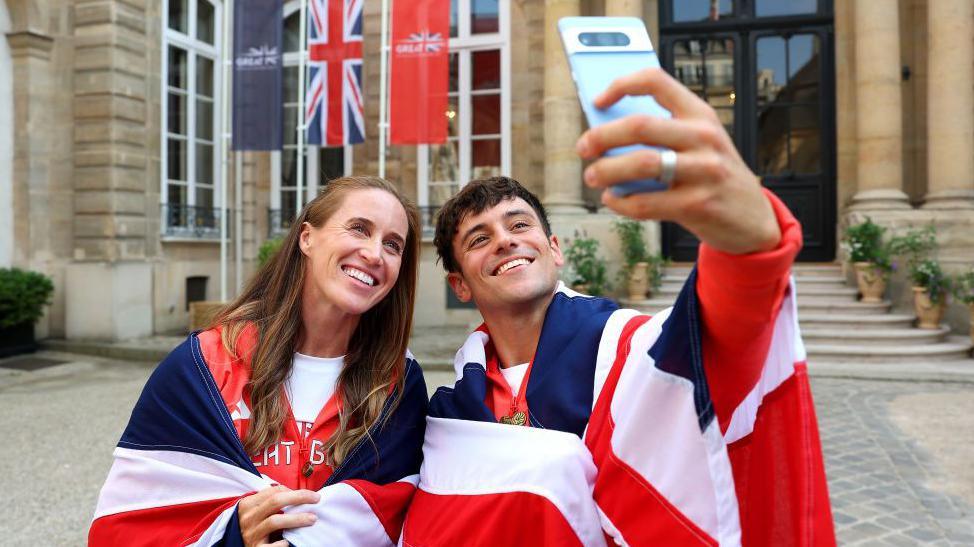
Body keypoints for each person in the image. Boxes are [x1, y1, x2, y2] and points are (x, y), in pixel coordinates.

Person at [401, 68, 834, 546]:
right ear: (459, 284)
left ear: (555, 248)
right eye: (480, 239)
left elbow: (720, 339)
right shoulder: (448, 410)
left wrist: (749, 246)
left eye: (518, 225)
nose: (505, 241)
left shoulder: (625, 348)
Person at [89, 176, 428, 546]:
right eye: (359, 229)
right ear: (307, 238)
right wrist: (232, 535)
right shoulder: (203, 364)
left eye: (392, 245)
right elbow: (125, 527)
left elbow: (409, 523)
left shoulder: (399, 386)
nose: (375, 253)